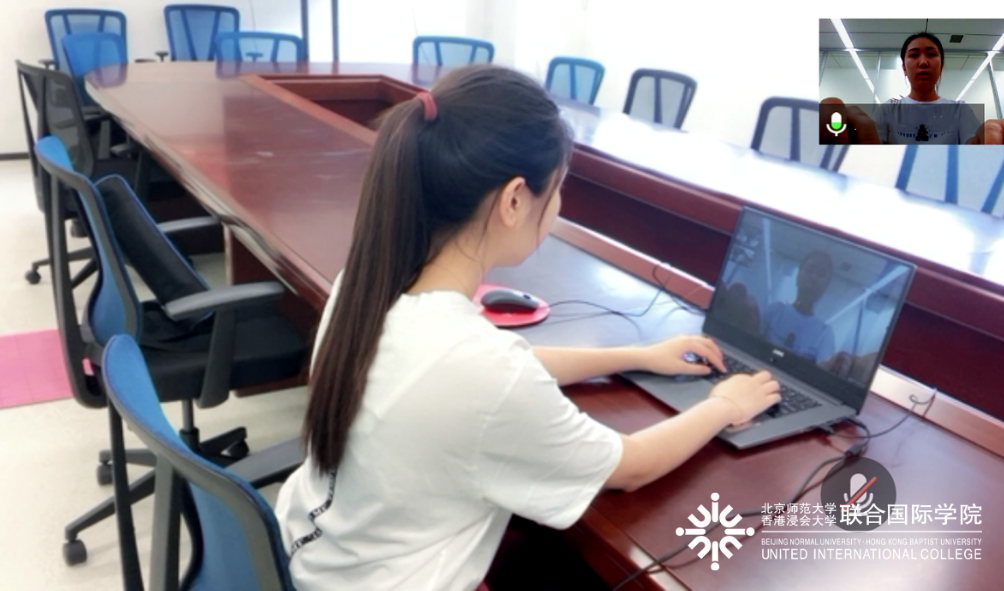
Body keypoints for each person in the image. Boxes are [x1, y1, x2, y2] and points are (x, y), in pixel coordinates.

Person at [273, 65, 781, 591]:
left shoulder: (364, 287)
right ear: (514, 200)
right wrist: (726, 404)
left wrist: (636, 356)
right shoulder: (481, 370)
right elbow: (632, 466)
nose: (558, 205)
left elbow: (487, 370)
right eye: (558, 187)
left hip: (313, 558)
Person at [821, 33, 1004, 145]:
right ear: (904, 68)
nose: (923, 62)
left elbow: (972, 146)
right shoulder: (888, 109)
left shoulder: (960, 110)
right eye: (914, 55)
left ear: (941, 66)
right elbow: (873, 150)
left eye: (931, 54)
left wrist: (987, 142)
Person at [762, 250, 837, 363]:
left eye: (821, 274)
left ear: (825, 287)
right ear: (798, 276)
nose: (814, 278)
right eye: (810, 270)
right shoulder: (774, 311)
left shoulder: (825, 334)